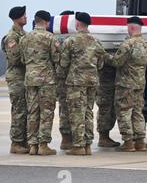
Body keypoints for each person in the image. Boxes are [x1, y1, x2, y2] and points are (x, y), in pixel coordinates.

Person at [59, 12, 106, 155]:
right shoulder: (96, 41)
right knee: (88, 112)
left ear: (77, 24)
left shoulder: (70, 41)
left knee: (76, 113)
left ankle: (78, 145)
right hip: (92, 82)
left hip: (75, 82)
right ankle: (87, 144)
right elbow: (101, 63)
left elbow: (64, 63)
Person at [107, 16, 147, 152]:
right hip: (140, 83)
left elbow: (116, 62)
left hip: (125, 84)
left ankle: (128, 142)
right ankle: (140, 141)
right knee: (137, 112)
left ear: (131, 28)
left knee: (124, 111)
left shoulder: (127, 44)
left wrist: (105, 56)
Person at [20, 10, 59, 155]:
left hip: (30, 79)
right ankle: (43, 145)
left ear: (36, 21)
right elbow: (56, 59)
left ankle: (32, 145)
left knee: (32, 112)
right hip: (46, 80)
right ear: (47, 22)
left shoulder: (25, 38)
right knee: (46, 112)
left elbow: (23, 59)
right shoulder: (50, 37)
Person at [1, 6, 29, 154]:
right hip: (17, 77)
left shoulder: (24, 34)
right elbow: (15, 59)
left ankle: (24, 141)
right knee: (19, 111)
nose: (26, 17)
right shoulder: (12, 36)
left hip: (25, 77)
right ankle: (16, 143)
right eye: (23, 15)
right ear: (17, 17)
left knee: (27, 111)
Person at [56, 10, 75, 150]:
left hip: (71, 78)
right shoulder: (59, 38)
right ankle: (66, 138)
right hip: (64, 78)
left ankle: (71, 137)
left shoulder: (71, 39)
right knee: (65, 108)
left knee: (72, 108)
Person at [96, 62, 120, 147]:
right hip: (106, 75)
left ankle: (104, 136)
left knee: (109, 107)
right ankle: (103, 137)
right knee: (105, 106)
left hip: (111, 74)